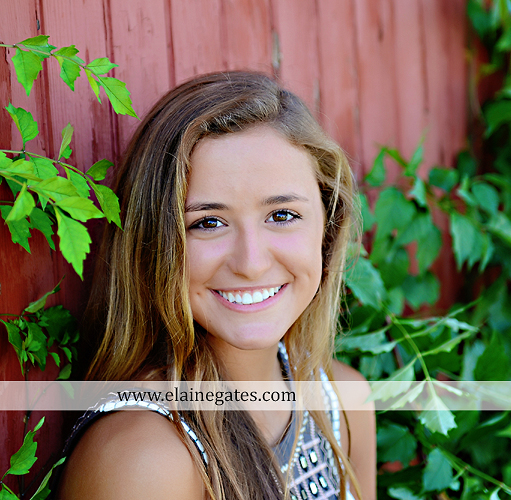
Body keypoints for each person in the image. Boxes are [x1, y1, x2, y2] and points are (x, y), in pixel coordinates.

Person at [55, 72, 376, 500]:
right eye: (208, 222)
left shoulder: (342, 402)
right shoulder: (145, 457)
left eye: (282, 215)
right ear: (155, 244)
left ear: (327, 226)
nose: (251, 263)